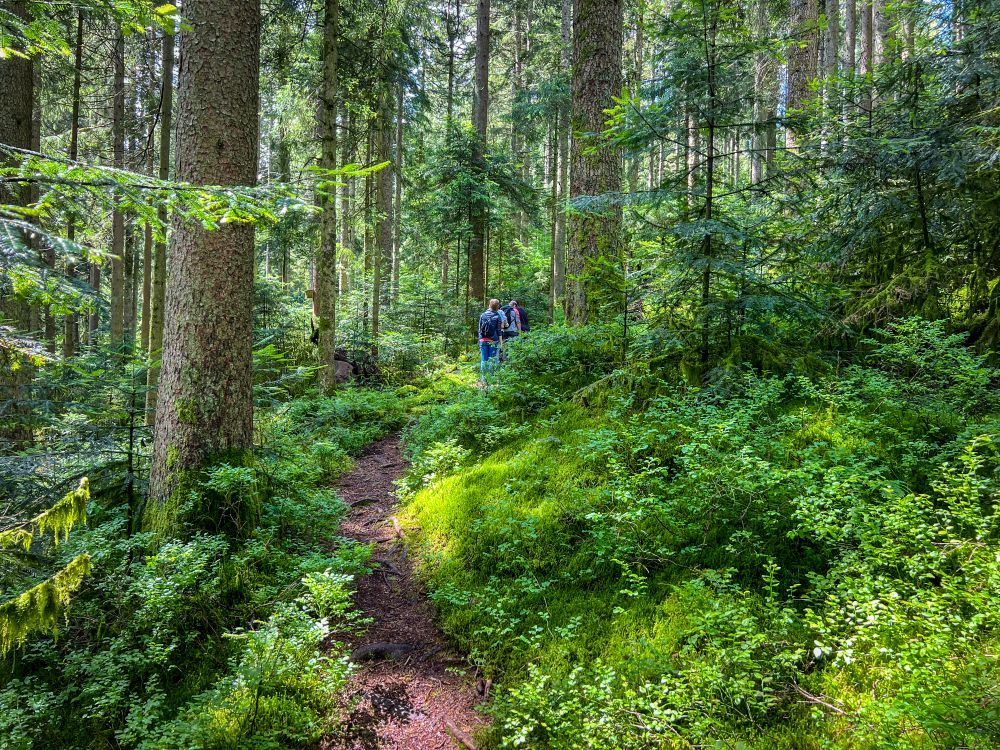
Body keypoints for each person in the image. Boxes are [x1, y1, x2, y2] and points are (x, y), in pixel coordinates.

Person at [478, 298, 504, 379]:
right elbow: (499, 331)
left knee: (484, 360)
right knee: (492, 360)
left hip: (483, 340)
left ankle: (483, 379)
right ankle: (491, 379)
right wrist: (501, 343)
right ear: (498, 307)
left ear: (489, 305)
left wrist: (479, 340)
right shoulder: (497, 316)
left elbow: (479, 329)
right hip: (493, 341)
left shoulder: (483, 315)